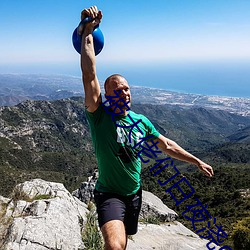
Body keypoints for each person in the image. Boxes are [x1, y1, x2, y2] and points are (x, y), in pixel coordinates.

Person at [79, 6, 214, 250]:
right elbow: (89, 74)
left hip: (134, 194)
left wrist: (196, 161)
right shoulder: (99, 116)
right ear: (107, 96)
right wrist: (87, 31)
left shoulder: (142, 122)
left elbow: (167, 145)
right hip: (109, 194)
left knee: (125, 241)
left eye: (127, 88)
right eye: (117, 89)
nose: (124, 92)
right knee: (114, 246)